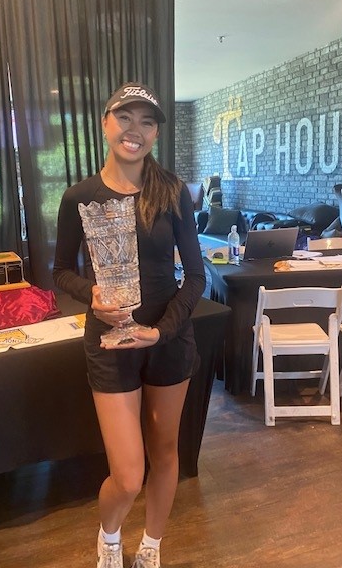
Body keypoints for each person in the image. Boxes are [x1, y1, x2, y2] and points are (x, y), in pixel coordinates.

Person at [53, 82, 206, 568]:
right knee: (127, 475)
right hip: (109, 342)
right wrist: (90, 294)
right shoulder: (79, 196)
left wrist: (163, 330)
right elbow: (59, 270)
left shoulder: (173, 192)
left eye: (146, 121)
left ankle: (151, 547)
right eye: (125, 117)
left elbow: (197, 275)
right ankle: (111, 537)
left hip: (167, 339)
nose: (134, 130)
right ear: (105, 123)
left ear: (156, 132)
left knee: (165, 454)